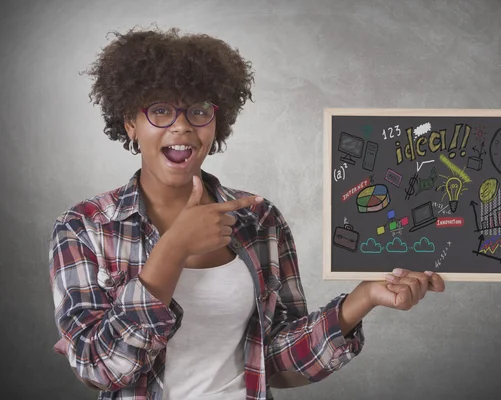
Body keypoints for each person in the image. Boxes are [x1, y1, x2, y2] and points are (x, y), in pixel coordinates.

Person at [48, 25, 446, 400]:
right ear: (130, 123)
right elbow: (98, 367)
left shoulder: (260, 220)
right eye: (161, 111)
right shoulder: (85, 227)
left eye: (199, 111)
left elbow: (276, 362)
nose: (182, 126)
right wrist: (174, 248)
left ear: (216, 124)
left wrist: (362, 300)